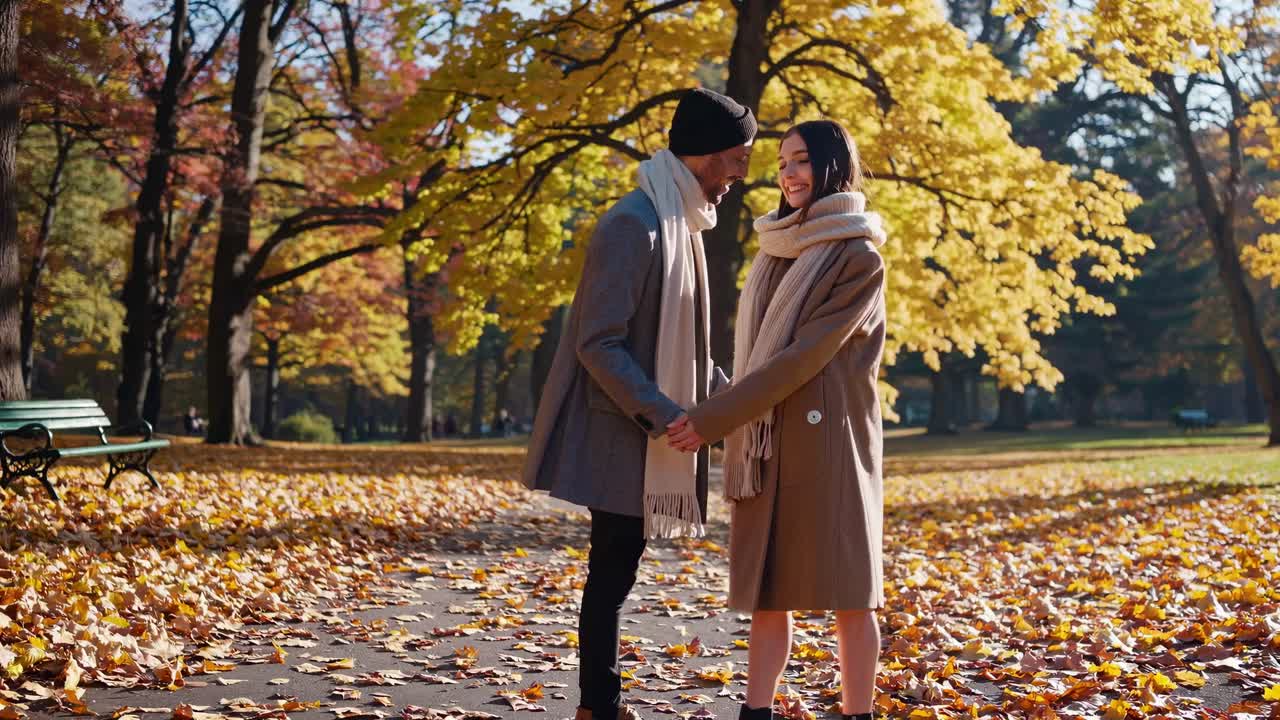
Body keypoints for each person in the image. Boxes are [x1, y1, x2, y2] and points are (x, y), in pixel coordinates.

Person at [521, 87, 753, 720]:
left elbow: (694, 351)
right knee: (611, 575)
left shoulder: (682, 224)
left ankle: (599, 704)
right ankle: (598, 705)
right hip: (624, 430)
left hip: (649, 429)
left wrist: (742, 403)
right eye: (736, 159)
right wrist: (666, 413)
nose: (739, 175)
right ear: (703, 155)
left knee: (616, 573)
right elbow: (599, 343)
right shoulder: (636, 223)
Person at [668, 120, 888, 720]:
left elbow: (803, 357)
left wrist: (715, 418)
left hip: (831, 447)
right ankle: (755, 712)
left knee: (850, 597)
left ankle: (857, 714)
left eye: (802, 161)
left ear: (833, 166)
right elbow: (755, 356)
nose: (789, 175)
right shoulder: (774, 248)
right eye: (783, 163)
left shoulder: (858, 255)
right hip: (765, 444)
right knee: (769, 596)